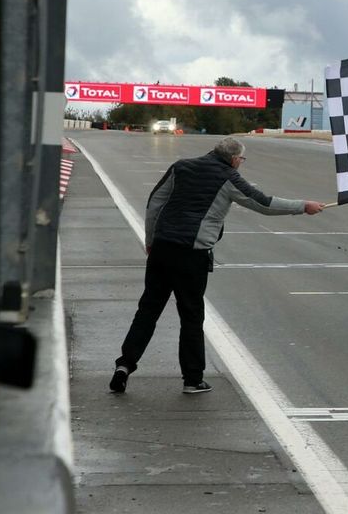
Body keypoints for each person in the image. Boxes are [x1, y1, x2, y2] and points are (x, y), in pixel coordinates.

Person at [109, 137, 327, 395]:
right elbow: (263, 203)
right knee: (191, 316)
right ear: (234, 159)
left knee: (148, 310)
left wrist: (150, 241)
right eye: (241, 160)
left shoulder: (180, 166)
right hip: (193, 254)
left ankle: (124, 366)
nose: (241, 164)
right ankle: (192, 379)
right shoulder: (229, 177)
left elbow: (155, 202)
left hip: (162, 249)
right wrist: (303, 206)